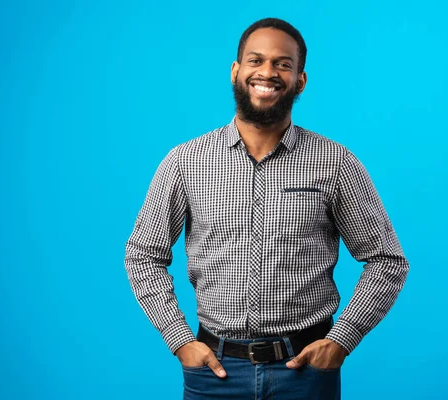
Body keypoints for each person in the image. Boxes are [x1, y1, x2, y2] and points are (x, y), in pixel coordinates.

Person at [124, 17, 410, 400]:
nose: (268, 72)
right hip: (214, 374)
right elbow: (143, 255)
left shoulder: (336, 163)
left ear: (300, 81)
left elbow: (387, 259)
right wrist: (179, 340)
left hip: (306, 373)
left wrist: (343, 339)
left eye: (283, 64)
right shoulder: (185, 162)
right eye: (256, 60)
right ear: (236, 71)